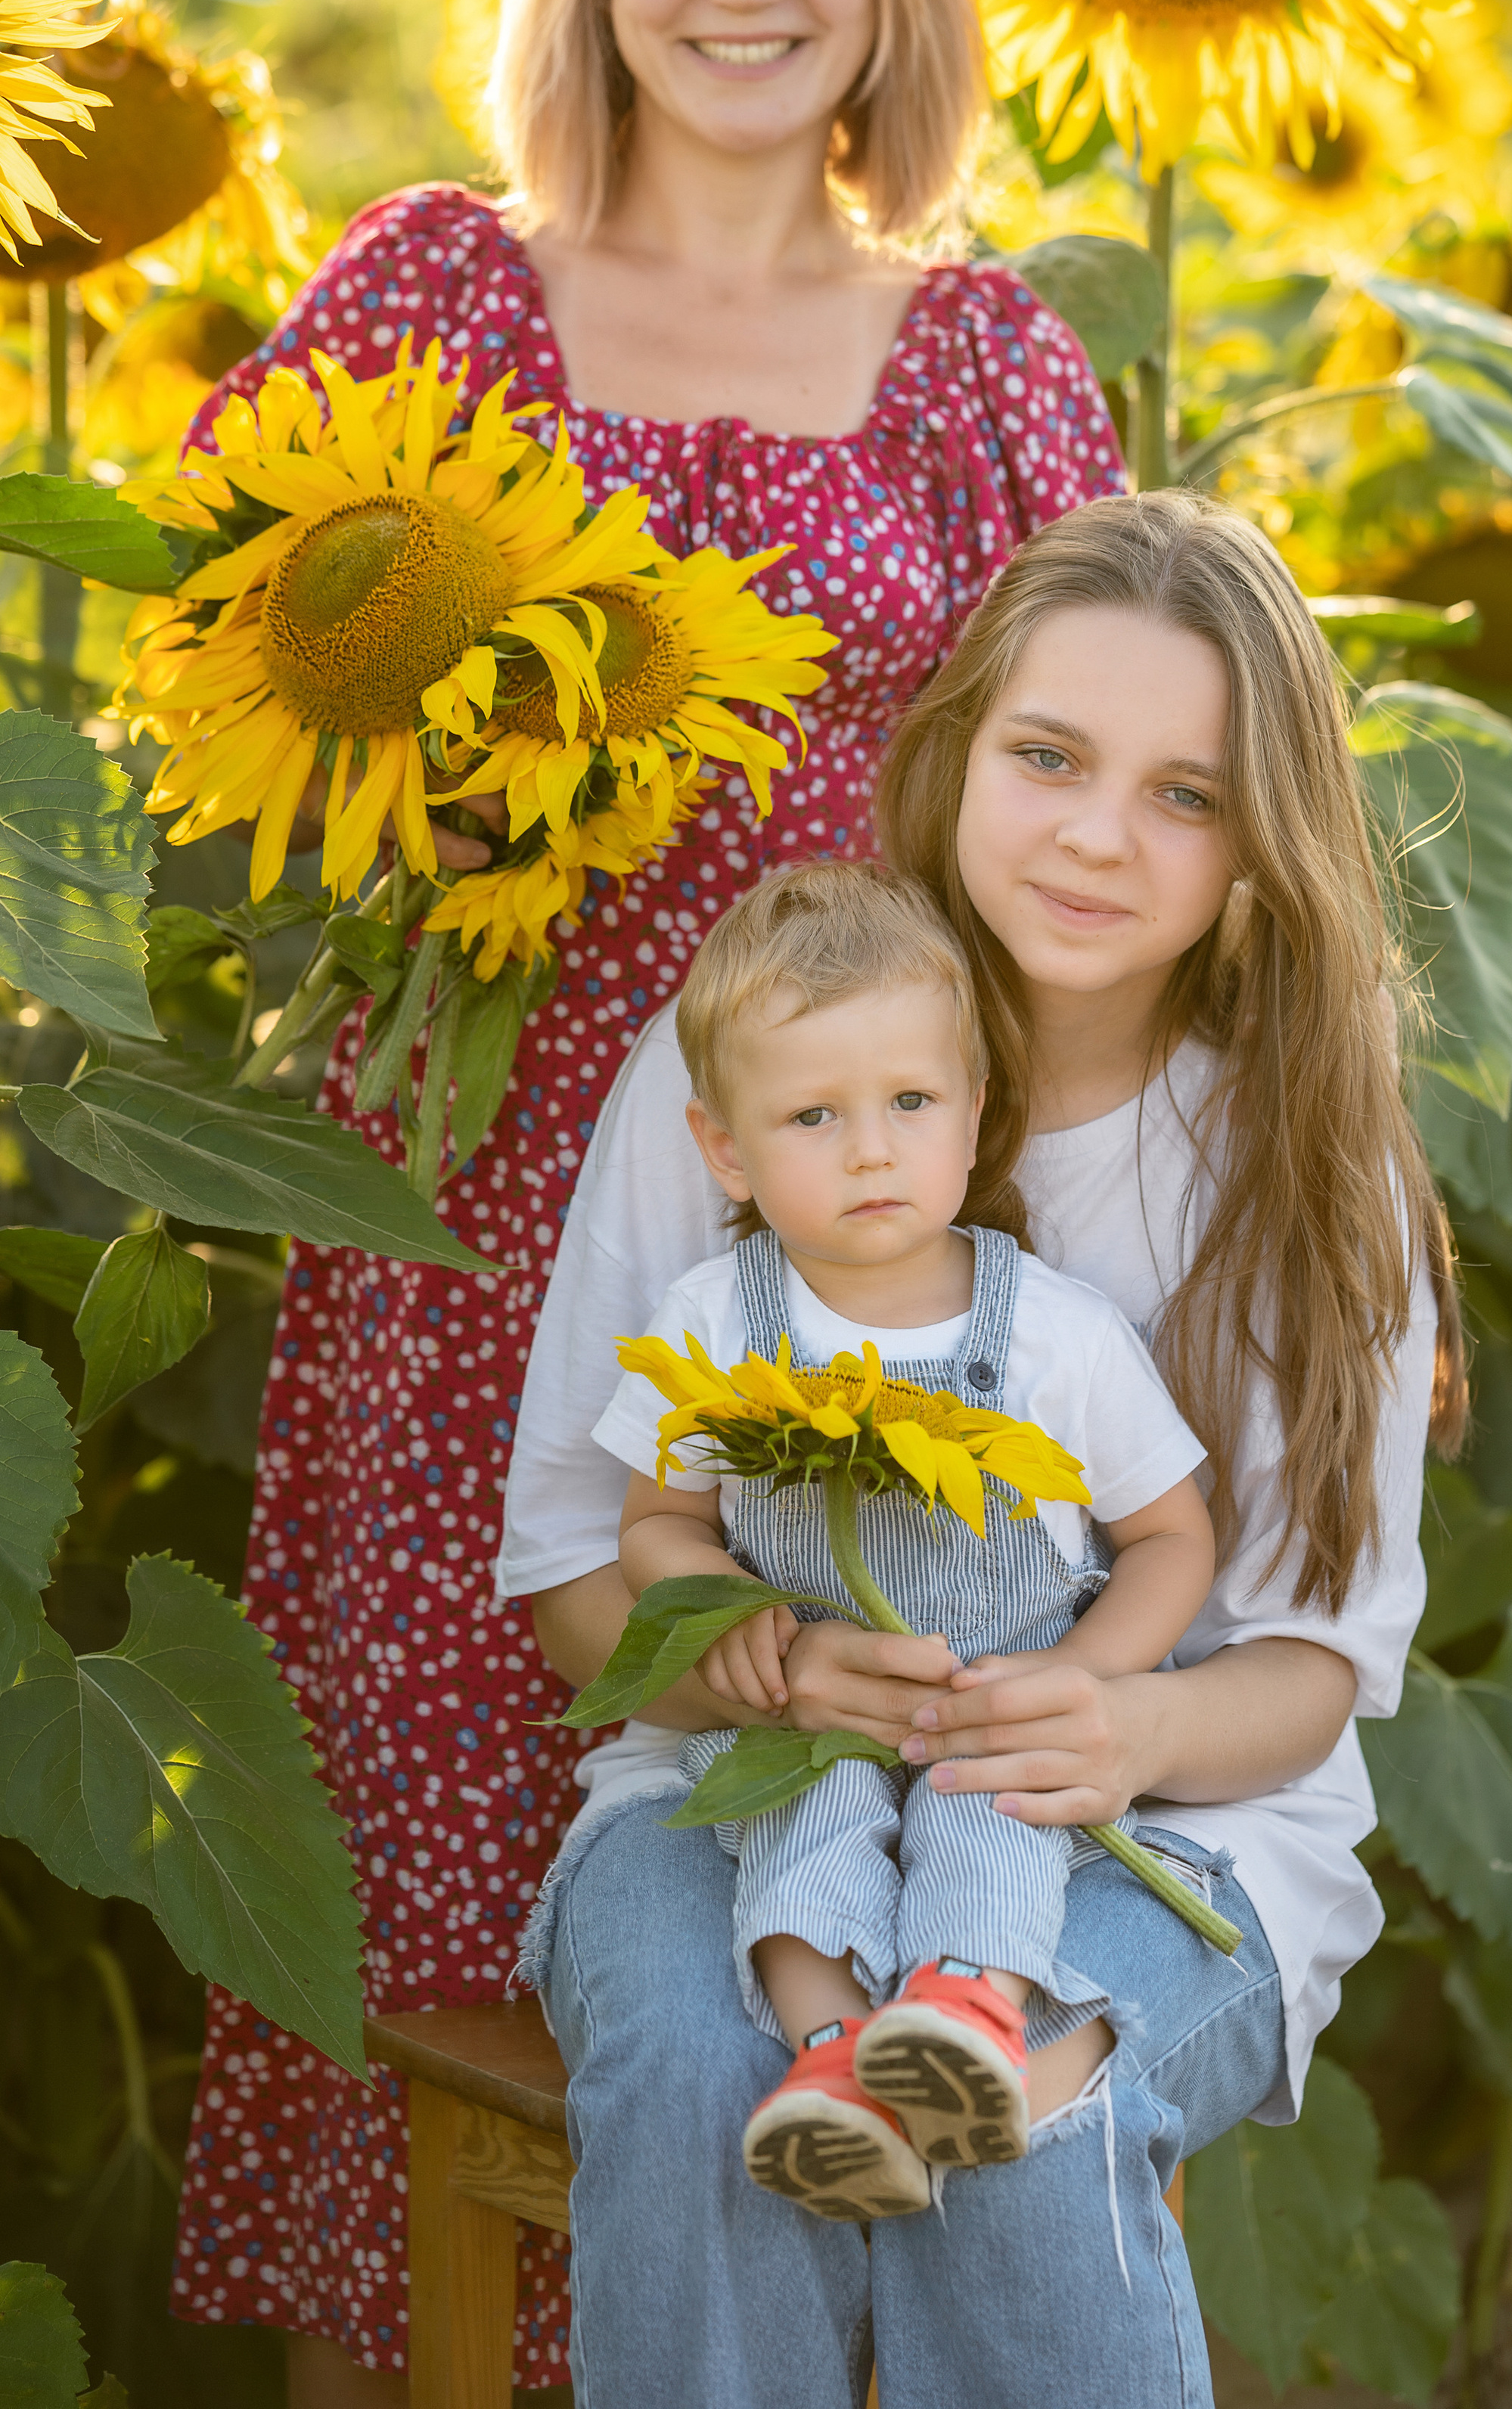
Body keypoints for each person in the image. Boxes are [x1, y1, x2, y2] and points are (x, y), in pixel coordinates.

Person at [167, 0, 1126, 2406]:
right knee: (447, 1955)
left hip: (849, 1306)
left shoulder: (981, 357)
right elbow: (222, 697)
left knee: (813, 1921)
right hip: (465, 1265)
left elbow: (1119, 835)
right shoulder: (433, 293)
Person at [505, 489, 1466, 2407]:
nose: (1099, 834)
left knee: (1006, 2123)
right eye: (1047, 756)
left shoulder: (1296, 1157)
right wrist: (754, 1660)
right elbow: (568, 1567)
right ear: (952, 749)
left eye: (1184, 795)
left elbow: (1309, 1665)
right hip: (743, 1788)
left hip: (1168, 1816)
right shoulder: (751, 1064)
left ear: (1259, 841)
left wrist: (1124, 1725)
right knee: (709, 2084)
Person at [591, 860, 1213, 2219]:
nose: (870, 1149)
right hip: (809, 1709)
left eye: (911, 1104)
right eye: (813, 1115)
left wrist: (1085, 1682)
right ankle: (832, 2063)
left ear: (976, 1113)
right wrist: (724, 1613)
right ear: (725, 1148)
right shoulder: (712, 1323)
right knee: (792, 1811)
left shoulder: (1054, 1333)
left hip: (994, 1707)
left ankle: (962, 2016)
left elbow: (1173, 1536)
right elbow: (659, 1522)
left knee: (994, 1813)